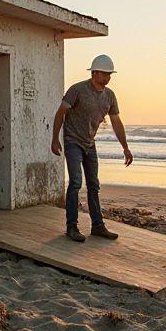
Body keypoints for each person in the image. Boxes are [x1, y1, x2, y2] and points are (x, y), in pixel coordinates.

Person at [50, 54, 133, 242]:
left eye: (109, 74)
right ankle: (72, 227)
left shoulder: (109, 95)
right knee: (76, 182)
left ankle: (97, 226)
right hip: (72, 141)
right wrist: (55, 139)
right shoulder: (77, 90)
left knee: (94, 184)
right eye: (104, 73)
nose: (108, 77)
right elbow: (60, 113)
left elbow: (116, 122)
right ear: (94, 73)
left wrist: (125, 148)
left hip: (90, 143)